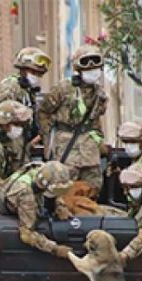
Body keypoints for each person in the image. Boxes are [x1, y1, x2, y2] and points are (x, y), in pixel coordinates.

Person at [39, 45, 108, 195]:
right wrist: (47, 140)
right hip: (65, 146)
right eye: (87, 68)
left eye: (95, 68)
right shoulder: (63, 89)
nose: (92, 71)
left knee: (93, 186)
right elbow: (43, 112)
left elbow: (95, 122)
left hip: (89, 149)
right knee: (63, 185)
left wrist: (99, 142)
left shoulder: (99, 95)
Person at [0, 161, 74, 258]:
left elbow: (53, 186)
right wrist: (55, 249)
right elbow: (26, 235)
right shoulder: (26, 194)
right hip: (1, 219)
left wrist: (60, 205)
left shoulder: (40, 169)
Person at [0, 47, 52, 162]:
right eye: (33, 72)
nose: (37, 77)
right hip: (10, 148)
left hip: (22, 145)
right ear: (23, 70)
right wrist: (4, 138)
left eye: (40, 74)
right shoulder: (11, 87)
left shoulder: (28, 91)